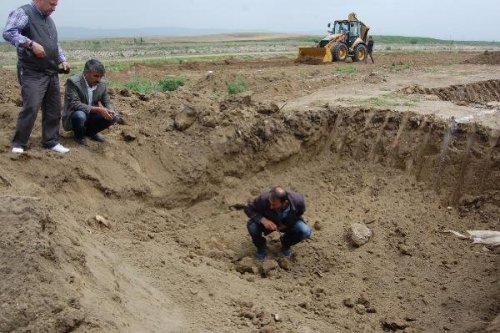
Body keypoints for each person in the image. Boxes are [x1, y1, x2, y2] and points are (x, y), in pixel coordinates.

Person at [3, 0, 71, 154]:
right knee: (31, 107)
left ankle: (51, 141)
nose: (54, 9)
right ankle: (19, 143)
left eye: (56, 5)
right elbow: (9, 32)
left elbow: (54, 44)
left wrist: (62, 60)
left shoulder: (49, 20)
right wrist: (30, 44)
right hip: (32, 71)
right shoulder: (24, 12)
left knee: (53, 108)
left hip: (51, 71)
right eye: (51, 4)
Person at [245, 186, 312, 260]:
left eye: (274, 205)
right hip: (269, 221)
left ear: (285, 202)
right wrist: (264, 220)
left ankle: (286, 243)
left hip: (287, 223)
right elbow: (249, 209)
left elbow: (300, 213)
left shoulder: (298, 201)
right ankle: (261, 248)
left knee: (305, 231)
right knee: (252, 227)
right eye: (270, 203)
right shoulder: (263, 198)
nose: (271, 207)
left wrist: (287, 224)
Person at [62, 59, 118, 145]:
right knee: (79, 116)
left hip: (92, 114)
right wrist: (98, 109)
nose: (99, 79)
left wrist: (111, 110)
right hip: (75, 115)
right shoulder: (73, 82)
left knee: (114, 117)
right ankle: (79, 136)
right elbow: (74, 104)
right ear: (86, 73)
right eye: (96, 76)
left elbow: (107, 101)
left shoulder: (102, 84)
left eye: (101, 76)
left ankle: (90, 132)